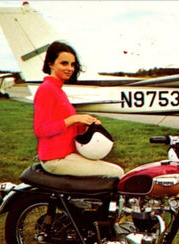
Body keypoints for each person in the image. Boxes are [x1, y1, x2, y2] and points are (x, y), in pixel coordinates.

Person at [33, 41, 124, 177]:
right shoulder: (47, 89)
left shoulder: (57, 90)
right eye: (64, 63)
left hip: (66, 154)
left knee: (114, 170)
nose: (70, 68)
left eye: (72, 64)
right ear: (50, 64)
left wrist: (83, 124)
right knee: (116, 172)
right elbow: (41, 130)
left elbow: (65, 126)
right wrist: (74, 119)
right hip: (55, 159)